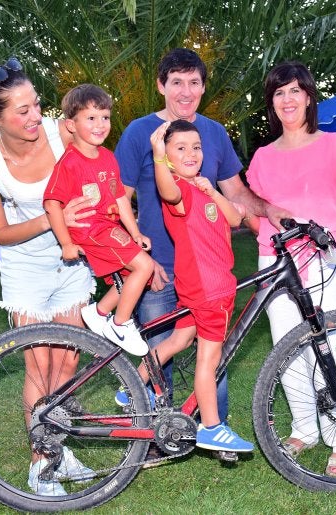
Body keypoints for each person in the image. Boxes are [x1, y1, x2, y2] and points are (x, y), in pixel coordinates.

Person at [115, 48, 290, 433]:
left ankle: (213, 429)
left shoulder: (212, 134)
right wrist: (137, 260)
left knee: (212, 354)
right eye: (176, 82)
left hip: (208, 272)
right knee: (161, 354)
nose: (185, 91)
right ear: (161, 86)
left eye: (194, 82)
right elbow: (118, 201)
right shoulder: (139, 133)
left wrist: (267, 210)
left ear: (203, 87)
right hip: (160, 268)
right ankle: (153, 437)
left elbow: (235, 193)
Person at [0, 57, 98, 496]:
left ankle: (60, 448)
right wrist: (51, 218)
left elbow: (100, 164)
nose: (36, 116)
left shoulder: (61, 132)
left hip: (72, 261)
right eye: (22, 111)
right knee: (38, 364)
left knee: (68, 359)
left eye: (36, 104)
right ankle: (42, 464)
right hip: (24, 266)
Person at [246, 60, 336, 477]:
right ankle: (305, 428)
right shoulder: (261, 156)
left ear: (308, 97)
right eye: (278, 93)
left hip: (322, 258)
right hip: (274, 261)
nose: (287, 99)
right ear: (271, 104)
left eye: (294, 91)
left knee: (323, 347)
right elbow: (253, 211)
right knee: (286, 351)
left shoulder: (333, 144)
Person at [139, 119, 254, 452]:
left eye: (196, 147)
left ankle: (133, 384)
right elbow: (167, 190)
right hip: (210, 289)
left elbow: (234, 219)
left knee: (179, 338)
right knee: (208, 359)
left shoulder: (200, 188)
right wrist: (159, 157)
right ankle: (212, 427)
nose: (191, 153)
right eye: (180, 148)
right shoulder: (178, 189)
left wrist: (212, 190)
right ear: (167, 156)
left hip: (203, 287)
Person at [43, 84, 154, 356]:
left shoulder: (107, 157)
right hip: (89, 229)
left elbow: (120, 199)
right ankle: (120, 324)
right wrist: (66, 243)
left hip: (107, 227)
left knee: (134, 274)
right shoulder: (69, 162)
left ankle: (100, 311)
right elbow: (51, 203)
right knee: (145, 266)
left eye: (104, 117)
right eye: (91, 118)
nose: (100, 124)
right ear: (71, 124)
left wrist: (135, 232)